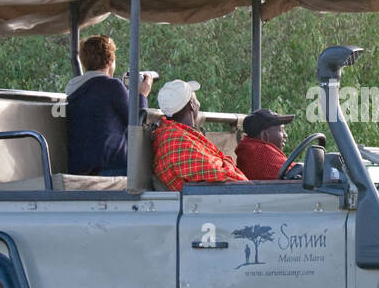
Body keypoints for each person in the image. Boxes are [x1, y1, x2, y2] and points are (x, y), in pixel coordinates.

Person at [65, 37, 155, 176]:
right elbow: (137, 125)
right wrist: (142, 95)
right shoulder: (111, 86)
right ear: (111, 61)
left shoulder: (74, 91)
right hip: (111, 168)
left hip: (79, 169)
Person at [151, 79, 248, 189]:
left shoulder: (179, 134)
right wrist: (227, 163)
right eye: (196, 99)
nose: (199, 104)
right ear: (192, 104)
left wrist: (225, 163)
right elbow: (218, 174)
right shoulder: (174, 140)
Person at [235, 108, 297, 180]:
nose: (285, 135)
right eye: (280, 130)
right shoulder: (261, 152)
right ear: (264, 135)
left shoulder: (249, 149)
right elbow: (291, 174)